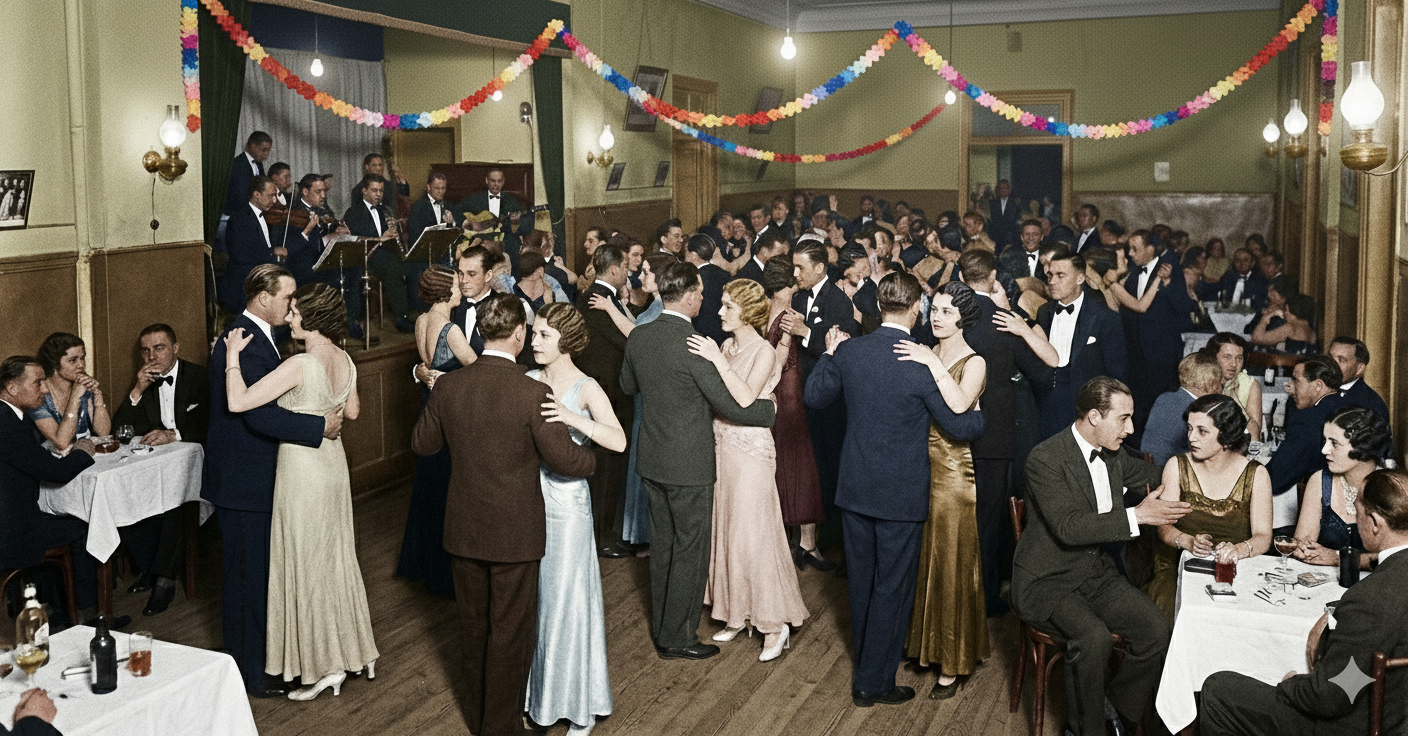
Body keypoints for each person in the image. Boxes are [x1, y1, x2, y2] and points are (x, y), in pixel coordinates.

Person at [412, 292, 596, 736]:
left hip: (463, 530)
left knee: (474, 630)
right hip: (515, 535)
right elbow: (566, 461)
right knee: (510, 634)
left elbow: (422, 444)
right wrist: (592, 459)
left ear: (480, 332)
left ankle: (481, 723)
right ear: (519, 334)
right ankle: (499, 729)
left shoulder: (450, 386)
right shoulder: (533, 392)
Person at [803, 272, 984, 706]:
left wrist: (829, 353)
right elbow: (961, 426)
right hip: (901, 495)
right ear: (917, 308)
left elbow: (814, 397)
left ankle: (868, 669)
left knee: (861, 583)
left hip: (854, 488)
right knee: (891, 587)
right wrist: (978, 410)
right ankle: (873, 682)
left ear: (879, 305)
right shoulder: (920, 361)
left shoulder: (850, 351)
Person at [1011, 377, 1189, 736]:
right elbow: (1069, 527)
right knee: (1093, 639)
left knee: (1156, 630)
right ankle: (1084, 730)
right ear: (1094, 416)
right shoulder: (1045, 458)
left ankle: (1113, 714)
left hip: (1095, 573)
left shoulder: (1113, 455)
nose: (1131, 428)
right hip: (1048, 580)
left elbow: (1157, 474)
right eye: (1123, 418)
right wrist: (1138, 515)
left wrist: (1208, 469)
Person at [224, 282, 377, 700]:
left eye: (295, 312)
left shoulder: (301, 364)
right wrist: (324, 408)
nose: (289, 318)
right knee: (335, 557)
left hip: (302, 470)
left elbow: (238, 402)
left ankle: (322, 667)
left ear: (311, 317)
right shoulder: (345, 359)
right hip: (333, 466)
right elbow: (352, 411)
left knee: (306, 563)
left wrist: (232, 358)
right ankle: (354, 652)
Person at [620, 261, 777, 661]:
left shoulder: (639, 335)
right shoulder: (695, 346)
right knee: (690, 550)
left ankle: (662, 628)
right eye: (703, 294)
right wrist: (771, 411)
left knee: (663, 547)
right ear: (689, 296)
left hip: (651, 460)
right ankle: (678, 637)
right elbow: (734, 407)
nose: (705, 301)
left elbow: (627, 384)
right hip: (689, 465)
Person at [203, 265, 340, 698]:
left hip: (254, 479)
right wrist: (318, 427)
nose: (293, 304)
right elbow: (257, 414)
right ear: (264, 298)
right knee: (247, 579)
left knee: (257, 575)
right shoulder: (244, 340)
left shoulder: (260, 337)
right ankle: (251, 674)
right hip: (243, 483)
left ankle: (261, 664)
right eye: (287, 296)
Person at [1200, 469, 1408, 736]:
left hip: (1357, 726)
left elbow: (1332, 696)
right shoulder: (1382, 590)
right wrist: (1338, 611)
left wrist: (1290, 684)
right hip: (1396, 709)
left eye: (1358, 513)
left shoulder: (1371, 598)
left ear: (1375, 523)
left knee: (1218, 689)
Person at [687, 280, 809, 662]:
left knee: (755, 536)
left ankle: (774, 624)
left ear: (748, 312)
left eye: (728, 306)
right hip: (722, 448)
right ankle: (736, 613)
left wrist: (716, 360)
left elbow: (742, 398)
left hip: (751, 453)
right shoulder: (727, 346)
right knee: (728, 531)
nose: (719, 311)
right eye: (722, 304)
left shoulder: (764, 352)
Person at [524, 303, 623, 734]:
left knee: (566, 601)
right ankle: (542, 700)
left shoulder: (586, 387)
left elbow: (618, 440)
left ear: (566, 340)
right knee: (538, 602)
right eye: (534, 333)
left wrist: (569, 417)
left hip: (567, 505)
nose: (534, 341)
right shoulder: (528, 379)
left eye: (543, 335)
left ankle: (579, 706)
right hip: (529, 500)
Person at [893, 280, 989, 698]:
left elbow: (959, 406)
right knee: (923, 559)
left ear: (964, 317)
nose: (937, 316)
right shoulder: (925, 349)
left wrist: (930, 362)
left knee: (951, 562)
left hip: (952, 474)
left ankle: (952, 662)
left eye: (947, 311)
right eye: (934, 309)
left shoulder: (975, 361)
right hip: (918, 467)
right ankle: (924, 648)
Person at [959, 250, 1055, 617]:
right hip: (996, 433)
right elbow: (1043, 373)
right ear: (993, 277)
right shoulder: (1004, 321)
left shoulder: (950, 315)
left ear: (961, 276)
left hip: (954, 429)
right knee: (989, 517)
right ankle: (985, 597)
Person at [1143, 395, 1273, 620]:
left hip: (1235, 571)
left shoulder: (1257, 474)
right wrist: (1187, 541)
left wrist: (1238, 550)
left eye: (1202, 431)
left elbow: (1263, 536)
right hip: (1177, 569)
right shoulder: (1177, 466)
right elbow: (1164, 528)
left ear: (1226, 437)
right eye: (1190, 428)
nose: (1191, 437)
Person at [111, 323, 207, 616]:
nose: (151, 356)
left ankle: (165, 579)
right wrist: (137, 390)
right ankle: (150, 570)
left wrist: (174, 434)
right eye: (145, 350)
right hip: (159, 464)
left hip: (198, 462)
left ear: (175, 348)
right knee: (127, 493)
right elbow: (121, 429)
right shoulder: (145, 380)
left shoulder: (200, 377)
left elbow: (212, 423)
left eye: (159, 348)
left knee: (175, 499)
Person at [396, 266, 477, 597]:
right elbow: (478, 370)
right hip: (449, 412)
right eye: (457, 285)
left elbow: (426, 366)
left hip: (428, 405)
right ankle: (445, 573)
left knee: (429, 481)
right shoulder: (450, 329)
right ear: (445, 292)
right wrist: (448, 377)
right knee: (449, 485)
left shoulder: (420, 321)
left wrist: (421, 372)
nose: (461, 289)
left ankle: (422, 562)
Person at [0, 356, 98, 622]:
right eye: (38, 382)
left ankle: (56, 611)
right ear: (12, 387)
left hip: (13, 520)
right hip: (11, 533)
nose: (44, 389)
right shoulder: (7, 422)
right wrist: (83, 451)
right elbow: (56, 473)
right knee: (84, 527)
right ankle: (85, 617)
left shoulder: (11, 416)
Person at [788, 240, 861, 552]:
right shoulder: (799, 297)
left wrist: (805, 332)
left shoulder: (838, 302)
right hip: (802, 395)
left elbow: (841, 347)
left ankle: (830, 540)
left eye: (800, 267)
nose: (795, 274)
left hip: (827, 402)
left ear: (819, 268)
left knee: (826, 466)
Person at [599, 253, 673, 554]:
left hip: (651, 392)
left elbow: (637, 335)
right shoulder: (655, 305)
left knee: (645, 458)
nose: (640, 277)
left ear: (661, 278)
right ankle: (639, 534)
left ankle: (644, 536)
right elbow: (639, 324)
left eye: (646, 272)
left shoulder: (662, 306)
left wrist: (609, 307)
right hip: (645, 391)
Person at [761, 257, 827, 568]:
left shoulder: (765, 311)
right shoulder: (789, 316)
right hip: (791, 400)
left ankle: (789, 541)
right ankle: (807, 544)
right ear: (788, 283)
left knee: (782, 466)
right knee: (801, 467)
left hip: (774, 398)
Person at [576, 244, 634, 558]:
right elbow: (629, 341)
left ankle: (601, 534)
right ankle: (603, 538)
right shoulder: (600, 301)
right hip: (610, 395)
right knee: (608, 469)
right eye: (625, 267)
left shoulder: (590, 297)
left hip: (600, 392)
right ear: (614, 270)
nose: (628, 272)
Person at [1030, 252, 1127, 440]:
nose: (1052, 281)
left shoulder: (1105, 317)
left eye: (1060, 275)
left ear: (1080, 278)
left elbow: (1116, 373)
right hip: (1048, 400)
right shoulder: (1044, 312)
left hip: (1085, 406)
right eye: (1050, 275)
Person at [1292, 406, 1394, 571]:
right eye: (1325, 441)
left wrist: (1337, 557)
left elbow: (1396, 558)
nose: (1324, 450)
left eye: (1334, 443)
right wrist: (1303, 549)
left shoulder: (1392, 488)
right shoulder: (1319, 481)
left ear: (1363, 448)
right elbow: (1301, 543)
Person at [1267, 355, 1347, 535]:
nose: (1290, 387)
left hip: (1324, 516)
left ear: (1318, 385)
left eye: (1296, 380)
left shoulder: (1309, 419)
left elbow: (1277, 478)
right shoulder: (1346, 405)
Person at [343, 173, 414, 334]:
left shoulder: (383, 210)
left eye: (381, 191)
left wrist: (394, 234)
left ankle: (403, 315)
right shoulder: (353, 212)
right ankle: (398, 318)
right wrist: (381, 238)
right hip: (361, 257)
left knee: (402, 265)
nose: (378, 194)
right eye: (374, 190)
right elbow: (355, 239)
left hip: (381, 255)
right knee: (391, 266)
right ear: (364, 191)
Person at [1139, 352, 1224, 466]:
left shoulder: (1164, 397)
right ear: (1207, 382)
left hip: (1148, 466)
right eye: (1218, 381)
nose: (1220, 387)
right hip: (1172, 470)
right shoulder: (1199, 410)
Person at [30, 333, 111, 452]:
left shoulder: (83, 387)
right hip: (52, 460)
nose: (81, 365)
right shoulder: (39, 395)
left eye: (82, 358)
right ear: (54, 363)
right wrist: (75, 396)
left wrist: (98, 400)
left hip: (85, 456)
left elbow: (103, 433)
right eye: (72, 360)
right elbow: (62, 443)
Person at [219, 176, 287, 314]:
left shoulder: (265, 215)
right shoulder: (239, 218)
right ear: (257, 194)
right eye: (270, 196)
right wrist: (272, 251)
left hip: (260, 279)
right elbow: (241, 255)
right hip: (244, 286)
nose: (274, 200)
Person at [454, 168, 533, 274]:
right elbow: (456, 211)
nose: (496, 185)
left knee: (513, 245)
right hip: (481, 238)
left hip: (504, 239)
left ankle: (513, 280)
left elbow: (524, 227)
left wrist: (515, 222)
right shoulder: (476, 198)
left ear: (503, 181)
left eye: (499, 181)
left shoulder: (512, 201)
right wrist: (468, 224)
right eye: (493, 181)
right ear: (487, 180)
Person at [1206, 332, 1264, 442]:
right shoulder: (1202, 380)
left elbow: (1255, 438)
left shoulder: (1250, 384)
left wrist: (1234, 400)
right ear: (1213, 358)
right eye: (1227, 357)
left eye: (1239, 358)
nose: (1233, 364)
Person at [1329, 336, 1392, 428]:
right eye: (1330, 357)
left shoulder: (1371, 404)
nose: (1331, 364)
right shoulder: (1317, 389)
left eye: (1341, 359)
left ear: (1359, 369)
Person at [1250, 279, 1318, 354]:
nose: (1285, 313)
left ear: (1294, 312)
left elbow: (1256, 338)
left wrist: (1266, 317)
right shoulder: (1311, 330)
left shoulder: (1290, 328)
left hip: (1288, 361)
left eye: (1286, 310)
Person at [224, 131, 271, 218]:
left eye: (268, 150)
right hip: (236, 215)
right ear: (253, 147)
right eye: (264, 150)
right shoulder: (238, 164)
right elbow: (240, 194)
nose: (266, 154)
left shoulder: (259, 164)